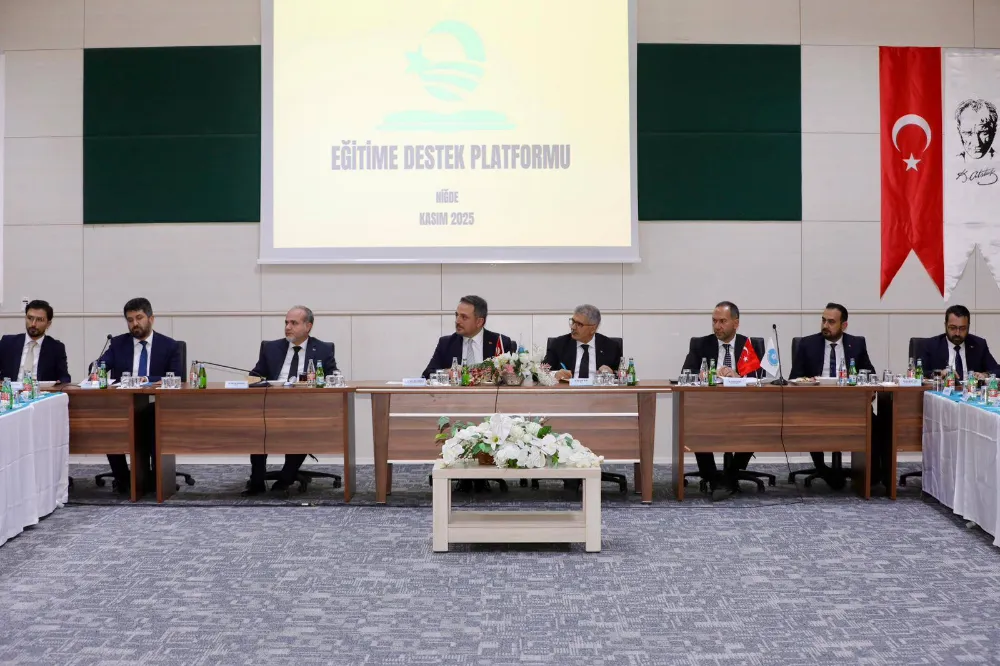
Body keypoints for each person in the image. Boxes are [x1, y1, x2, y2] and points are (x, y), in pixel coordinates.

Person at [244, 305, 338, 495]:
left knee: (300, 427)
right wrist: (253, 380)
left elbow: (332, 376)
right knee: (258, 426)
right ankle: (257, 481)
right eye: (286, 323)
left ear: (308, 326)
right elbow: (255, 376)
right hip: (270, 405)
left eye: (294, 323)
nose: (288, 327)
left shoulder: (322, 349)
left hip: (305, 407)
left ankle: (285, 480)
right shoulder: (271, 348)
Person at [99, 297, 185, 494]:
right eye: (130, 320)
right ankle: (123, 479)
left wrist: (145, 379)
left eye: (139, 318)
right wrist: (97, 368)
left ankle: (156, 478)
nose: (134, 324)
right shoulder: (118, 344)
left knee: (152, 419)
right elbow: (100, 367)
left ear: (151, 318)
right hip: (124, 404)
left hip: (157, 403)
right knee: (107, 424)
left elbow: (177, 377)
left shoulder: (169, 345)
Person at [789, 303, 877, 489]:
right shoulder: (807, 344)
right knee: (808, 420)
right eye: (823, 320)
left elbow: (869, 372)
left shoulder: (857, 344)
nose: (825, 325)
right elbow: (794, 378)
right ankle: (822, 468)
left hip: (850, 404)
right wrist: (807, 381)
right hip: (816, 404)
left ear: (844, 325)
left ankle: (874, 474)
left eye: (831, 322)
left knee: (877, 423)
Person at [680, 301, 763, 495]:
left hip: (743, 406)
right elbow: (686, 373)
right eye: (714, 321)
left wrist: (738, 376)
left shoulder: (748, 345)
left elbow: (760, 377)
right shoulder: (701, 344)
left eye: (722, 321)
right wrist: (710, 373)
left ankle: (731, 474)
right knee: (696, 423)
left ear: (736, 323)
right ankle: (712, 476)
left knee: (757, 423)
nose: (717, 326)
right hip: (710, 406)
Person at [422, 295, 516, 378]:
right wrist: (447, 373)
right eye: (457, 315)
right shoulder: (446, 343)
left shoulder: (500, 342)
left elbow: (513, 376)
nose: (457, 321)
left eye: (464, 317)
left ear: (479, 322)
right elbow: (427, 374)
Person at [543, 304, 622, 381]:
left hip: (597, 389)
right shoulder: (559, 344)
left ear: (593, 328)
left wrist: (612, 374)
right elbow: (541, 372)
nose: (573, 327)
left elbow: (621, 376)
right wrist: (555, 374)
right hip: (568, 389)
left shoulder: (611, 347)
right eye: (573, 322)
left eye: (579, 324)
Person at [0, 299, 71, 384]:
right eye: (30, 318)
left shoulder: (56, 348)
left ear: (48, 324)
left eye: (39, 320)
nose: (33, 324)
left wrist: (59, 383)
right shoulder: (8, 343)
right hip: (10, 391)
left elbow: (64, 377)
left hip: (42, 392)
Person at [921, 304, 1000, 378]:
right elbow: (921, 372)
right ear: (945, 325)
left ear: (968, 327)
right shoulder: (931, 345)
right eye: (953, 328)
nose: (957, 333)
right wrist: (940, 373)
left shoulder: (979, 345)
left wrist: (985, 375)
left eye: (962, 328)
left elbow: (997, 370)